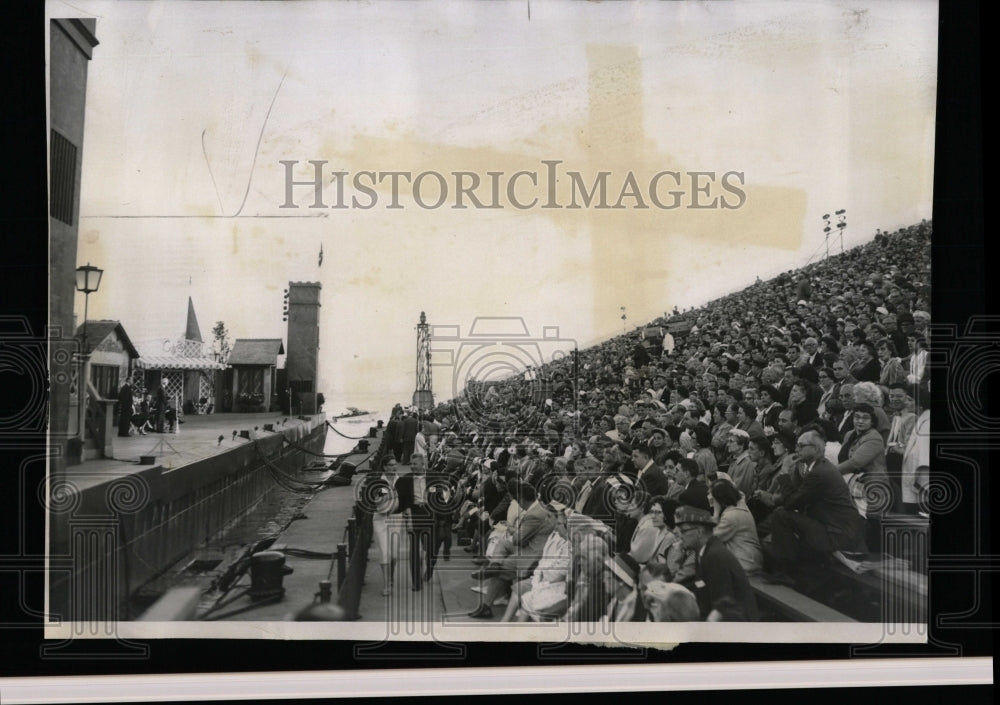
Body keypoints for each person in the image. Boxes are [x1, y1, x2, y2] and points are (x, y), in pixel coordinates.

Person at [762, 429, 866, 584]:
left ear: (816, 449)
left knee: (781, 515)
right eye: (796, 445)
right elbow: (797, 495)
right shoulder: (817, 467)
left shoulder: (820, 472)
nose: (796, 449)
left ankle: (787, 572)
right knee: (782, 516)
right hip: (834, 528)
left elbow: (791, 502)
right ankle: (792, 570)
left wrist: (784, 475)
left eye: (801, 446)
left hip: (837, 535)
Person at [674, 505, 758, 621]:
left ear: (699, 531)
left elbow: (723, 607)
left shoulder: (714, 556)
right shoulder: (705, 551)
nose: (680, 536)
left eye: (684, 531)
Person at [709, 480, 763, 576]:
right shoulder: (739, 506)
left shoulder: (732, 515)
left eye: (712, 497)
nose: (710, 499)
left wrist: (716, 513)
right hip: (750, 560)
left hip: (744, 563)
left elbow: (711, 539)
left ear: (720, 499)